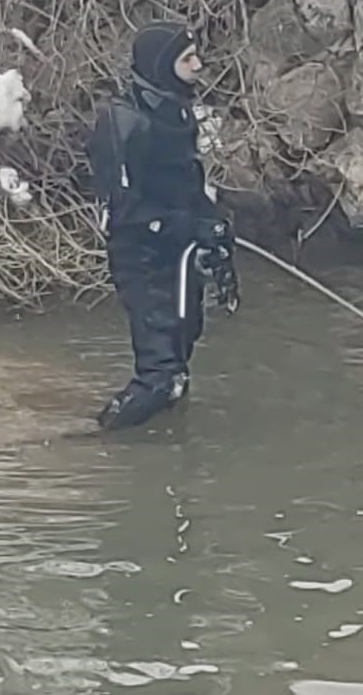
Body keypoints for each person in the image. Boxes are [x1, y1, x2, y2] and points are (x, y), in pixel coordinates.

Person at [87, 21, 240, 431]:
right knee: (159, 378)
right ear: (161, 66)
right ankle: (90, 442)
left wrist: (214, 228)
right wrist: (189, 227)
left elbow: (186, 186)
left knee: (180, 366)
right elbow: (125, 212)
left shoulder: (176, 112)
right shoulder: (123, 123)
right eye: (187, 59)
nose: (198, 65)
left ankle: (170, 451)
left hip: (180, 253)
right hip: (142, 257)